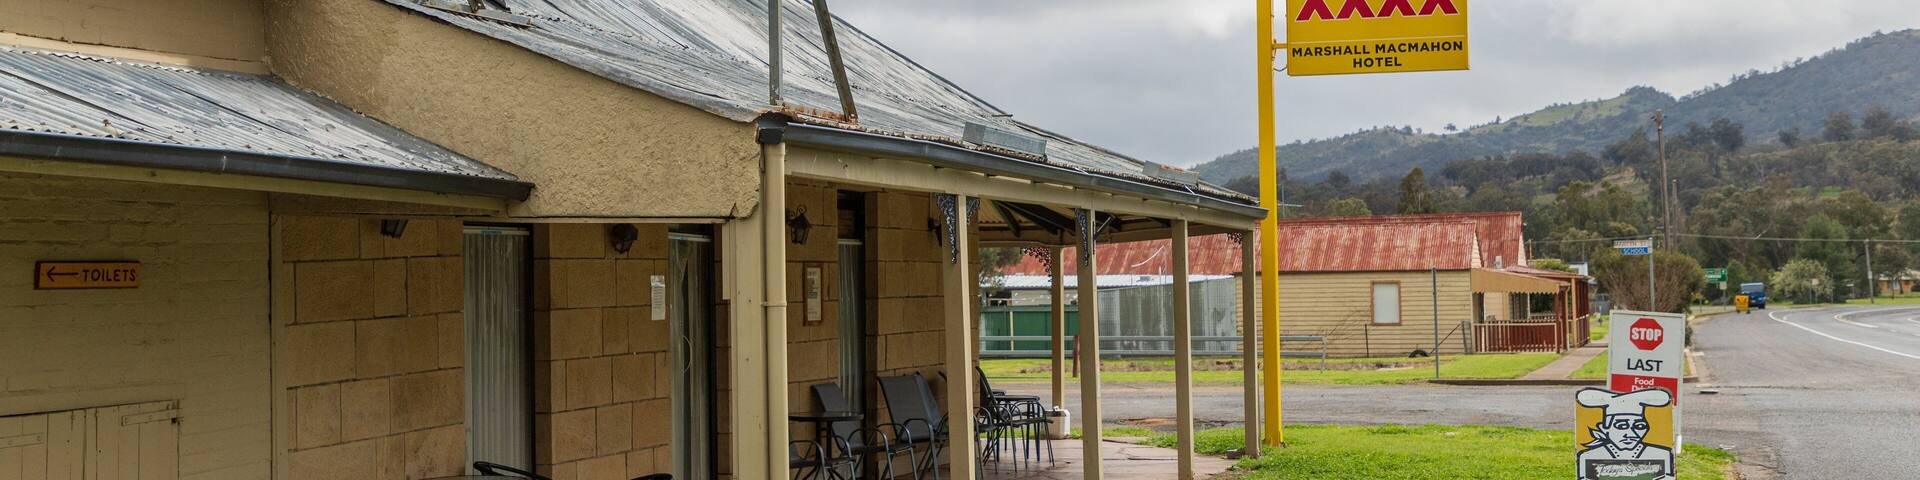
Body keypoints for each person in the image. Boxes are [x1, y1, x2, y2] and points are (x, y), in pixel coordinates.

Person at [1576, 388, 1674, 480]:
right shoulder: (1589, 455)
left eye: (1639, 426)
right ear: (1604, 429)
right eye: (1621, 426)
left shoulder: (1661, 454)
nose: (1631, 434)